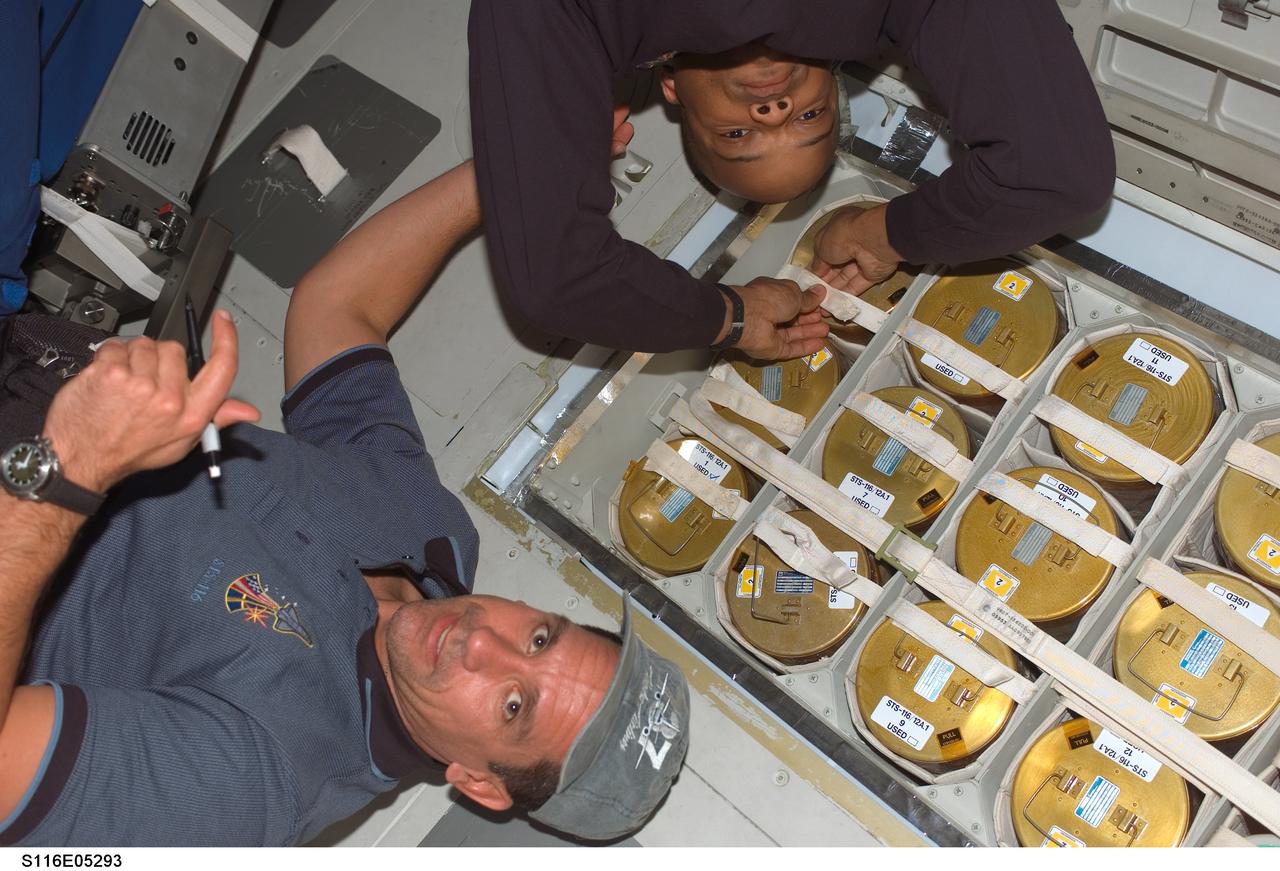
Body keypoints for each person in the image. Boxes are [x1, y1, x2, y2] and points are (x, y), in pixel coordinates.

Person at [0, 160, 690, 846]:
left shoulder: (261, 783)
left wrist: (69, 468)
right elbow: (339, 305)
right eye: (540, 637)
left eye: (514, 704)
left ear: (479, 780)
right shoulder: (437, 535)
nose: (483, 641)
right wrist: (520, 162)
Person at [468, 0, 1115, 358]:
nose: (774, 111)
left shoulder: (575, 16)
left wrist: (729, 316)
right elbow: (1054, 174)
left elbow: (557, 274)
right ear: (833, 74)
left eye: (738, 135)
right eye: (811, 116)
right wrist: (888, 232)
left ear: (669, 87)